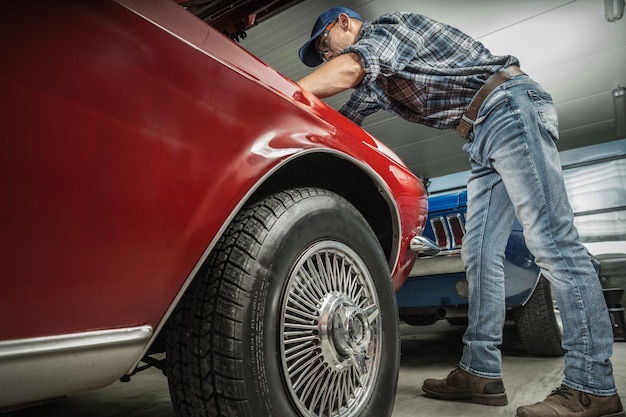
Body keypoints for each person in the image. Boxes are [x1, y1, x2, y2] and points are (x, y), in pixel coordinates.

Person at [297, 6, 624, 417]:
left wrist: (282, 96)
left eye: (326, 46)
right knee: (480, 256)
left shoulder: (390, 29)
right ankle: (480, 372)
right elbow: (343, 118)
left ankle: (592, 385)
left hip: (510, 108)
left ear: (344, 23)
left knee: (552, 242)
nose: (327, 57)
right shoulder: (380, 79)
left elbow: (352, 68)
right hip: (483, 135)